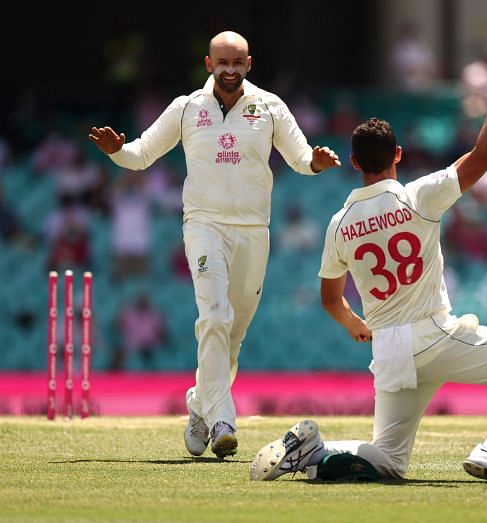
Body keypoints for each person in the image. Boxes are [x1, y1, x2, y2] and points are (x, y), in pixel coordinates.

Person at [251, 45, 487, 484]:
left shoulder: (339, 223)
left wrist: (355, 325)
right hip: (434, 335)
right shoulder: (419, 196)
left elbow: (330, 299)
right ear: (398, 154)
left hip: (390, 350)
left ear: (356, 162)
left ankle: (314, 450)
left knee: (389, 460)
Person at [88, 31, 341, 458]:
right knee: (214, 315)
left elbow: (301, 159)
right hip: (204, 225)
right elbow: (141, 154)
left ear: (249, 64)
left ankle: (200, 405)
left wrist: (316, 162)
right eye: (221, 61)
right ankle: (223, 418)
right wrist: (118, 151)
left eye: (237, 62)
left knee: (233, 332)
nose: (229, 69)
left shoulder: (270, 107)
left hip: (253, 230)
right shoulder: (187, 108)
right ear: (208, 64)